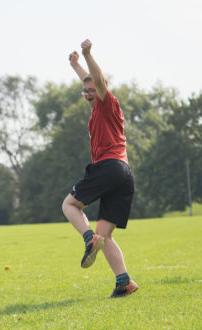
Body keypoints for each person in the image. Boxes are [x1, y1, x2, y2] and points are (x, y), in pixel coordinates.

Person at [62, 39, 139, 299]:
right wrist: (76, 65)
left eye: (91, 91)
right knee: (104, 235)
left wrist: (88, 54)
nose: (87, 94)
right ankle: (124, 282)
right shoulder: (95, 107)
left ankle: (87, 239)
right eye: (84, 92)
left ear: (102, 88)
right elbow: (90, 81)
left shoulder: (108, 104)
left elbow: (97, 81)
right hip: (124, 174)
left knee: (69, 206)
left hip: (109, 167)